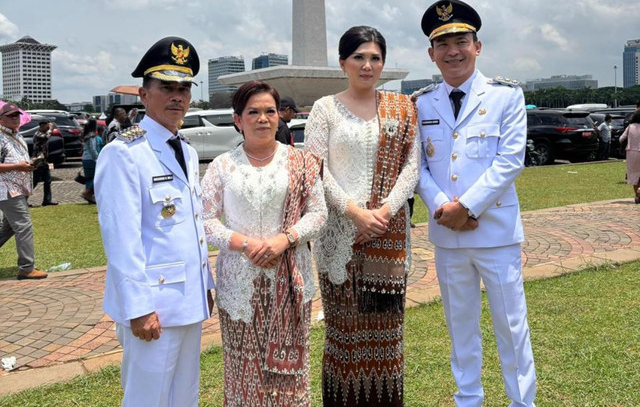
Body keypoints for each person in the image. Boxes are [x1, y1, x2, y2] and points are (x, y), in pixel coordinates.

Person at [415, 0, 536, 406]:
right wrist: (442, 210)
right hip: (448, 239)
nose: (453, 51)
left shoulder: (506, 97)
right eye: (443, 44)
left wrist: (465, 208)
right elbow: (419, 168)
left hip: (495, 234)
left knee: (511, 326)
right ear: (431, 54)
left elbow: (510, 160)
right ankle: (468, 398)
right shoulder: (422, 102)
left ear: (477, 46)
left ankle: (522, 401)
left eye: (461, 40)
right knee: (460, 327)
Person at [95, 36, 215, 406]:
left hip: (188, 298)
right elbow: (121, 239)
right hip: (153, 305)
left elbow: (189, 227)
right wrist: (138, 307)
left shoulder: (188, 152)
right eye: (166, 87)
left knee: (185, 396)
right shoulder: (124, 154)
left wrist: (204, 282)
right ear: (144, 94)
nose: (177, 96)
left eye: (183, 88)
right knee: (148, 398)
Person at [304, 26, 419, 406]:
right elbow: (316, 170)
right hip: (341, 240)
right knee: (345, 333)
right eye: (359, 57)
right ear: (343, 63)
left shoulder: (402, 108)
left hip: (387, 234)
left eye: (375, 57)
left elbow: (412, 166)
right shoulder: (324, 109)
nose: (367, 65)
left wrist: (383, 212)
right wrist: (355, 213)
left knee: (387, 335)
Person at [201, 80, 327, 406]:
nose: (262, 119)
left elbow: (318, 214)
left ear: (278, 117)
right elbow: (204, 221)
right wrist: (245, 244)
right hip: (239, 285)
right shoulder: (223, 166)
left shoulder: (301, 163)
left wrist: (284, 240)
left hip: (290, 279)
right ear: (237, 119)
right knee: (245, 371)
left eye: (269, 111)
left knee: (290, 378)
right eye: (253, 112)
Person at [0, 101, 47, 280]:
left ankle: (26, 267)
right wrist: (18, 166)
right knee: (24, 226)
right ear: (1, 119)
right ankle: (27, 268)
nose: (15, 118)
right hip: (6, 189)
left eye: (17, 115)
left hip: (18, 188)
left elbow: (18, 159)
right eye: (10, 116)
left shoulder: (16, 134)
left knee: (8, 228)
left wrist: (29, 164)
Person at [32, 120, 58, 206]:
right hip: (38, 161)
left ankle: (47, 200)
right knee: (34, 181)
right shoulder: (38, 134)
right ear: (42, 126)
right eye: (46, 127)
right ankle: (24, 198)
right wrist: (50, 129)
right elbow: (46, 137)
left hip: (44, 161)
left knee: (47, 181)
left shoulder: (43, 133)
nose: (48, 129)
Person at [619, 111, 640, 204]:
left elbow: (621, 139)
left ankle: (637, 194)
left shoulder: (630, 127)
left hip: (632, 153)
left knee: (634, 175)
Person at [81, 119, 100, 204]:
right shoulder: (92, 136)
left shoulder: (86, 135)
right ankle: (88, 193)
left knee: (89, 178)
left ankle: (89, 196)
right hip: (91, 159)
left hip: (85, 158)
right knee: (96, 178)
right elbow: (93, 149)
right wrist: (97, 159)